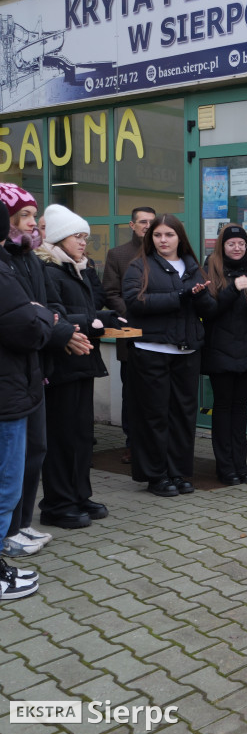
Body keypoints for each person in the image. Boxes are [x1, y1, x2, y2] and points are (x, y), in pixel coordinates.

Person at [0, 185, 85, 548]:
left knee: (35, 450)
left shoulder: (31, 259)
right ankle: (8, 531)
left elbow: (47, 306)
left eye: (35, 216)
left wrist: (56, 323)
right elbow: (26, 317)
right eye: (27, 216)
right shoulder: (5, 261)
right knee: (11, 461)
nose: (35, 224)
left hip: (34, 369)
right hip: (15, 371)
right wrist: (57, 328)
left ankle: (21, 523)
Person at [37, 205, 122, 528]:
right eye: (77, 236)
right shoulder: (47, 270)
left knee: (82, 435)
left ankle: (79, 494)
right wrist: (96, 321)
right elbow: (53, 315)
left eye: (85, 237)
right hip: (60, 365)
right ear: (59, 238)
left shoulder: (80, 268)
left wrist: (102, 318)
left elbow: (91, 306)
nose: (84, 242)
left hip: (84, 360)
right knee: (61, 436)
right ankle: (57, 504)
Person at [122, 214, 215, 497]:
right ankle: (156, 476)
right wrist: (181, 296)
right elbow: (135, 302)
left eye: (169, 235)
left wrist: (199, 297)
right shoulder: (140, 266)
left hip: (186, 352)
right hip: (151, 350)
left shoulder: (193, 266)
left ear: (179, 238)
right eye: (158, 235)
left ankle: (179, 473)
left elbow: (209, 310)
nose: (163, 240)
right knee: (155, 416)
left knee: (183, 416)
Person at [0, 200, 54, 600]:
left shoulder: (20, 261)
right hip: (7, 392)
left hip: (17, 384)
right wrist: (41, 319)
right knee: (5, 484)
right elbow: (27, 324)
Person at [201, 225, 247, 485]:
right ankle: (225, 467)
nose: (237, 247)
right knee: (223, 407)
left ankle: (241, 465)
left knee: (240, 409)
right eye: (232, 243)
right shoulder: (210, 270)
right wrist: (233, 289)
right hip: (219, 350)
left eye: (242, 243)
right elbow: (208, 310)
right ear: (222, 246)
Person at [103, 207, 156, 465]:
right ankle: (132, 443)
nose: (148, 226)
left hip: (161, 335)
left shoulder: (165, 252)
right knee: (132, 395)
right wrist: (133, 314)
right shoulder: (119, 254)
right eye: (143, 222)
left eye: (152, 222)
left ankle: (156, 444)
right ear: (132, 225)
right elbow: (110, 293)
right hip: (131, 335)